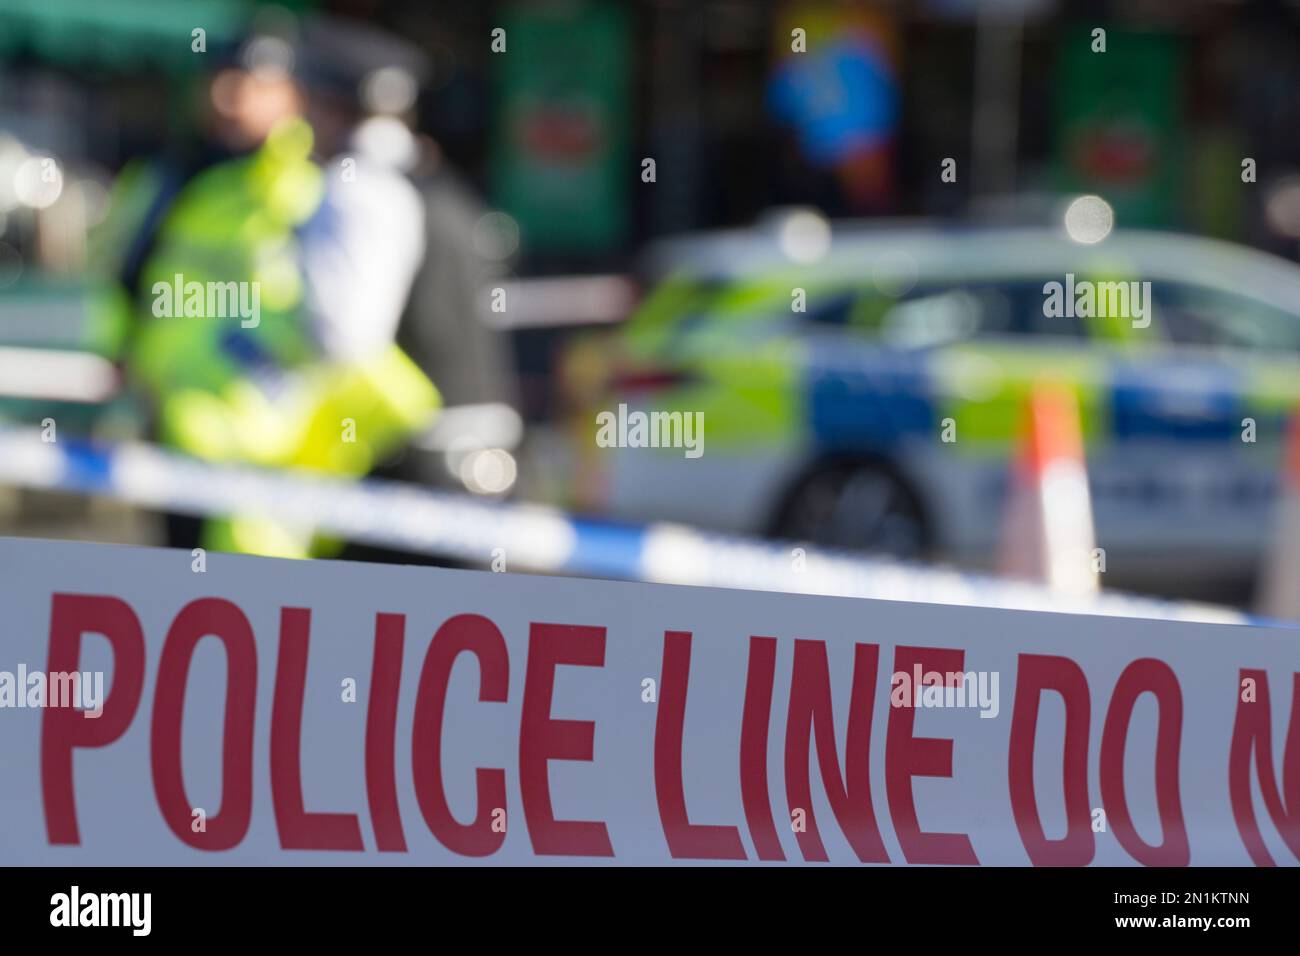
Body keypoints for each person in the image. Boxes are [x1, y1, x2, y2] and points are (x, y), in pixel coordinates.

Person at [94, 19, 439, 558]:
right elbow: (128, 282)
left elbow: (339, 327)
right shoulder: (170, 176)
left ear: (293, 94)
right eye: (220, 78)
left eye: (253, 82)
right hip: (177, 427)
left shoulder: (318, 183)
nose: (228, 97)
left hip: (277, 444)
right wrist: (130, 363)